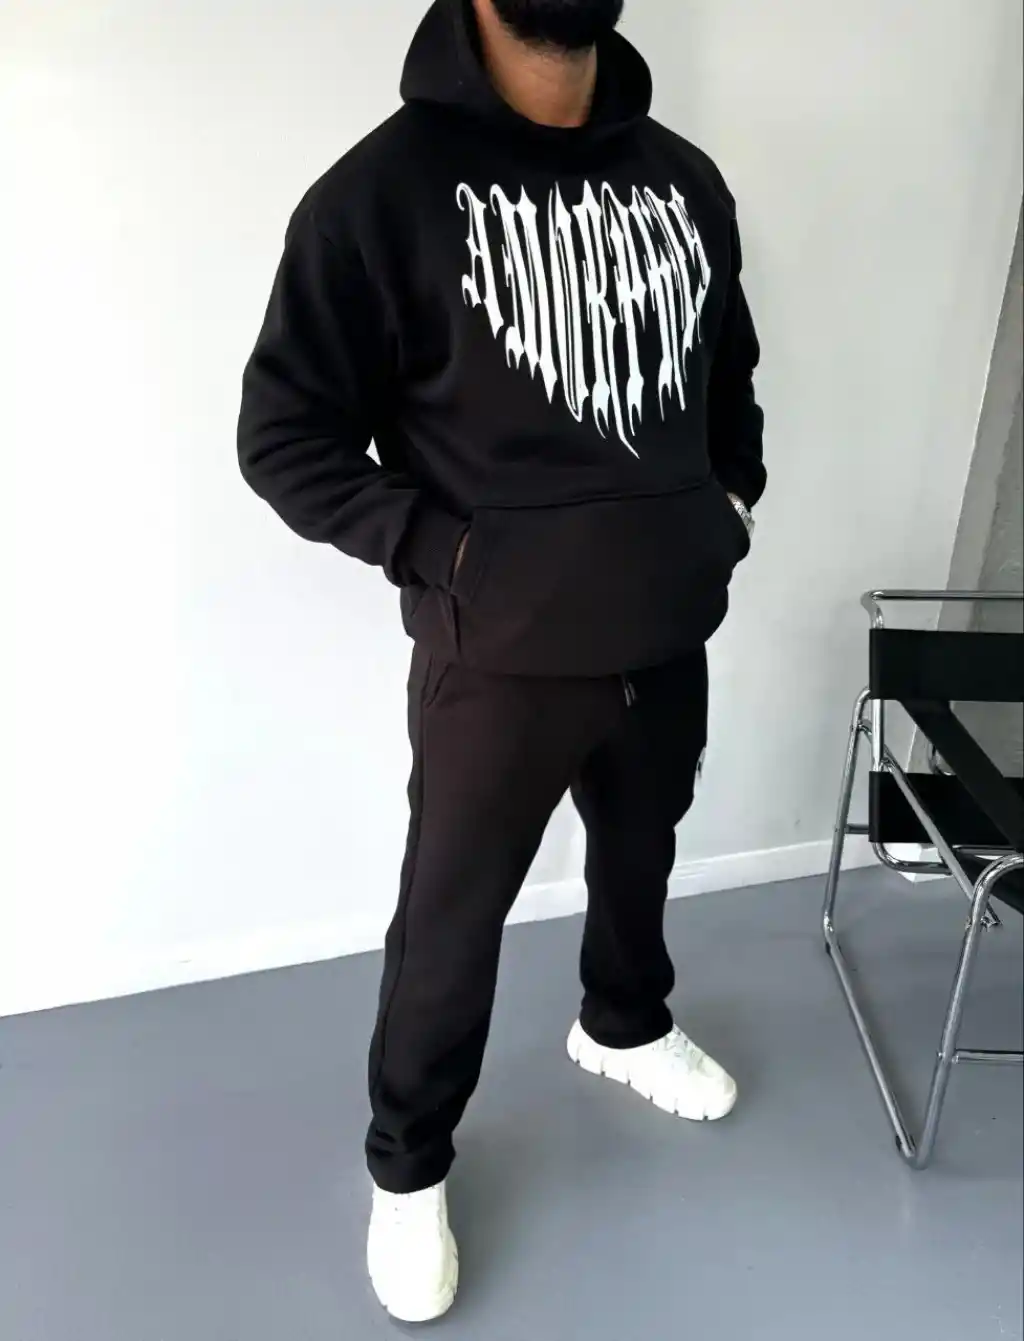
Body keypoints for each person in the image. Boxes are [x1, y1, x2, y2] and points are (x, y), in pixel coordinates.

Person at [238, 0, 764, 1322]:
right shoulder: (376, 197)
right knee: (452, 917)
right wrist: (454, 555)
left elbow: (731, 379)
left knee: (643, 844)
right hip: (500, 655)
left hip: (667, 623)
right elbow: (285, 437)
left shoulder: (684, 178)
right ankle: (408, 1164)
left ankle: (624, 1021)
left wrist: (725, 507)